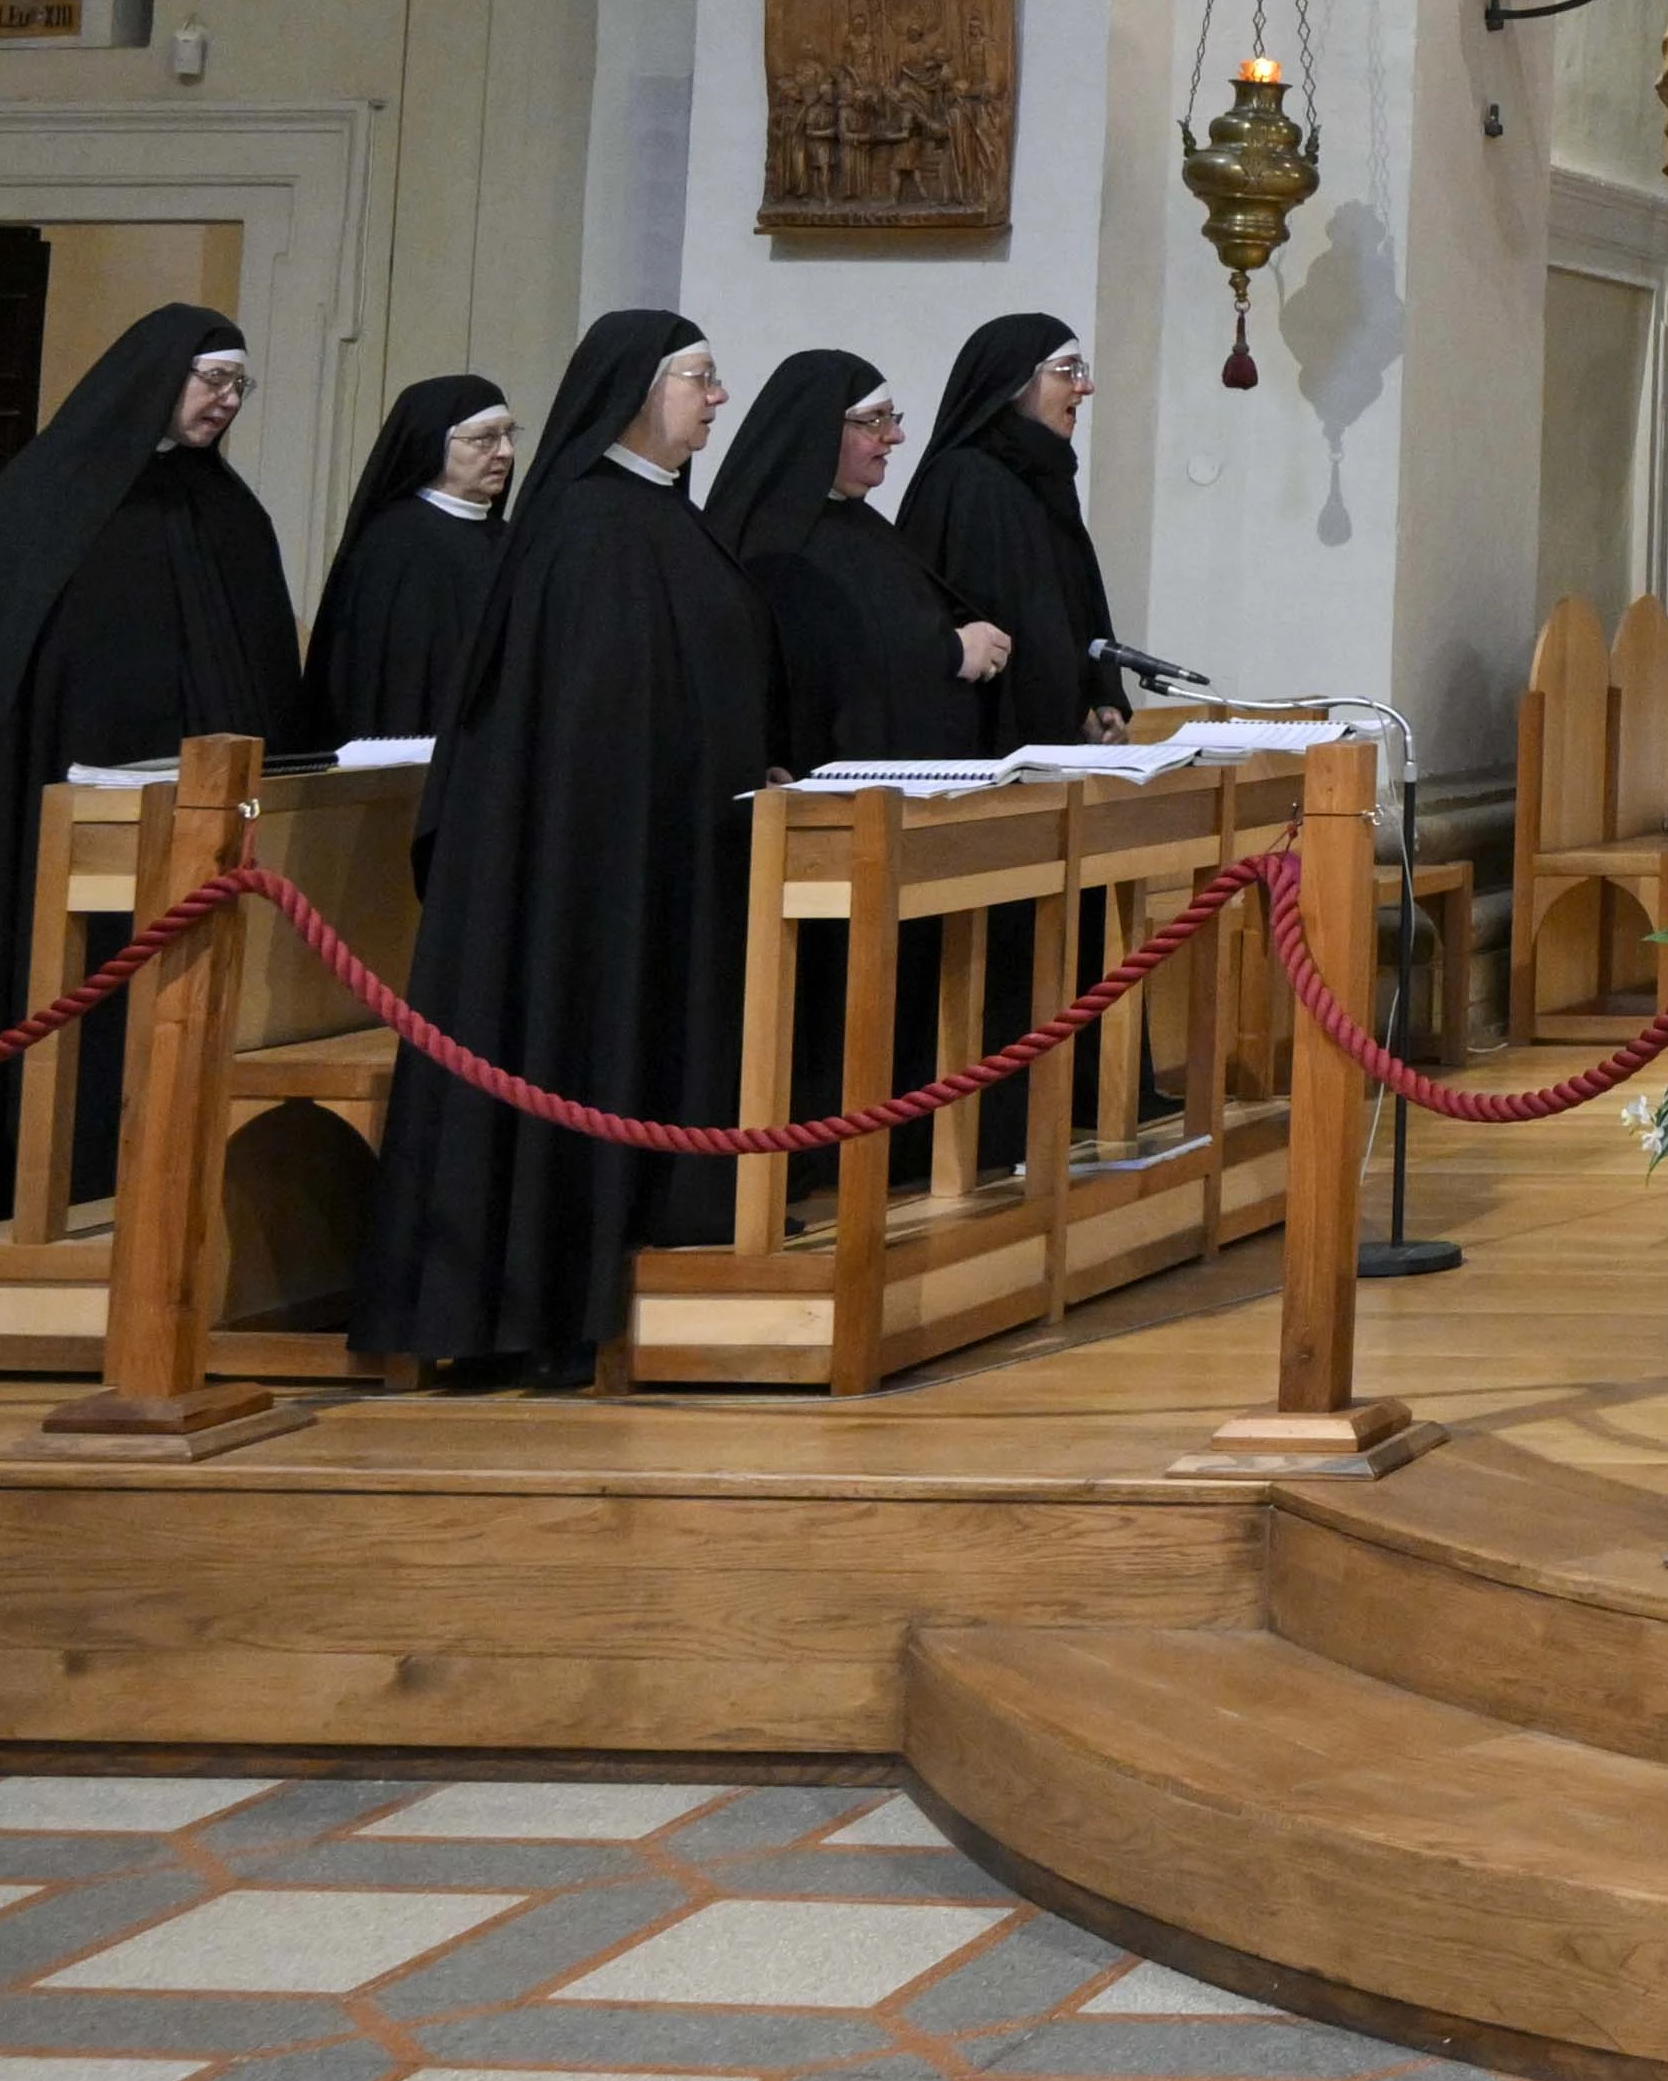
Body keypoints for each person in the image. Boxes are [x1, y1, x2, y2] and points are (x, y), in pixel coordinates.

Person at [360, 315, 765, 1389]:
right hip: (587, 870)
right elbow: (582, 724)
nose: (718, 399)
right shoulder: (586, 525)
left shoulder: (662, 519)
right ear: (637, 389)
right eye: (700, 379)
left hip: (672, 850)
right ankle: (543, 1311)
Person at [0, 302, 292, 1220]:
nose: (227, 400)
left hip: (198, 820)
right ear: (156, 378)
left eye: (239, 384)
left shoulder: (228, 510)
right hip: (62, 818)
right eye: (213, 380)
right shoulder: (46, 495)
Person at [711, 350, 1016, 770]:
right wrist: (950, 653)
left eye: (893, 418)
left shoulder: (865, 525)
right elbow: (816, 666)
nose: (894, 437)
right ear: (819, 429)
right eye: (874, 421)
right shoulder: (773, 540)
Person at [896, 317, 1124, 747]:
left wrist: (1101, 696)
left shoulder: (1045, 475)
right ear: (1016, 382)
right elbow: (999, 617)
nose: (1085, 387)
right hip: (988, 743)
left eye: (1083, 371)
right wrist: (1071, 709)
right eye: (1068, 371)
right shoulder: (967, 479)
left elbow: (1076, 604)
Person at [298, 373, 516, 750]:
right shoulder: (393, 544)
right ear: (433, 443)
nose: (505, 452)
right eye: (485, 438)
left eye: (509, 434)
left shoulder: (510, 541)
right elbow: (379, 677)